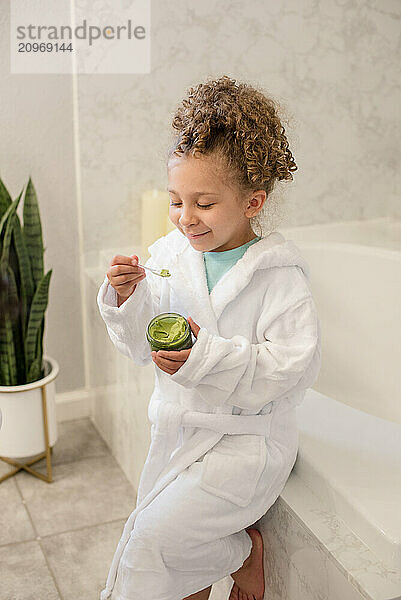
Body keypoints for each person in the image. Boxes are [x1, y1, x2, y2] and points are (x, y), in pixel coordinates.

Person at [97, 75, 321, 600]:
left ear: (252, 202)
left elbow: (291, 368)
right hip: (178, 433)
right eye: (176, 201)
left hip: (245, 445)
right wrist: (128, 299)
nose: (185, 218)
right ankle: (215, 570)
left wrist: (204, 357)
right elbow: (139, 345)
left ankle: (241, 551)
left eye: (203, 203)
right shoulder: (172, 257)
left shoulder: (278, 276)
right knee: (165, 558)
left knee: (150, 542)